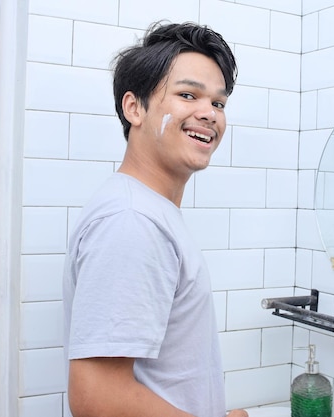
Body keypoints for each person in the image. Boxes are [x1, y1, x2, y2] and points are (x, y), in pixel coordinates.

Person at [62, 21, 247, 417]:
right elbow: (97, 397)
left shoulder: (146, 210)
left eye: (218, 103)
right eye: (187, 95)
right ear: (135, 108)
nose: (209, 114)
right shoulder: (133, 220)